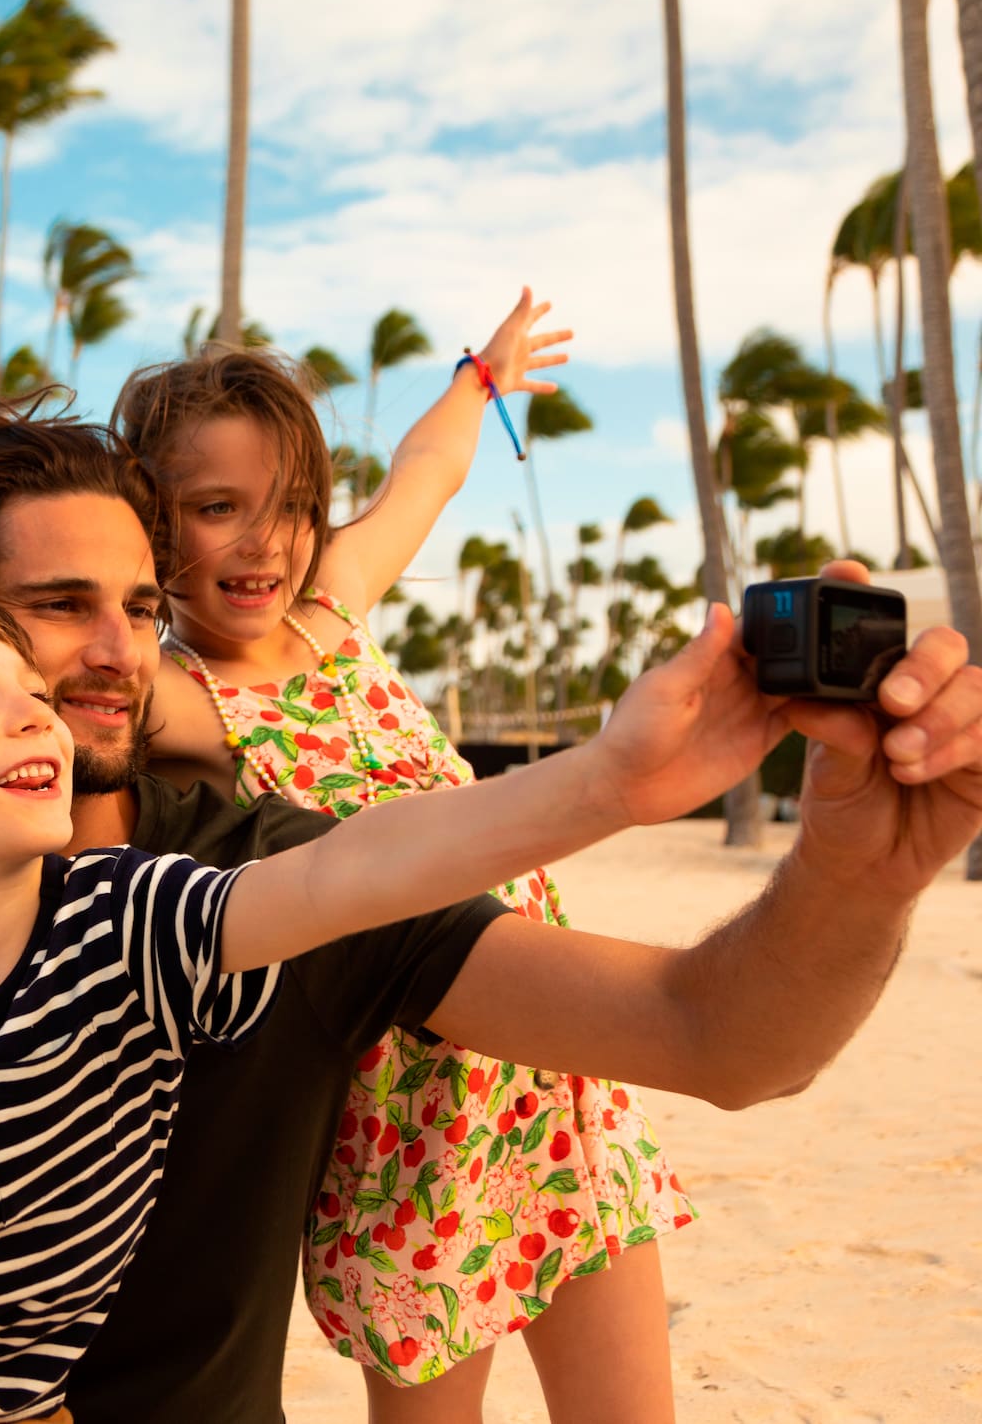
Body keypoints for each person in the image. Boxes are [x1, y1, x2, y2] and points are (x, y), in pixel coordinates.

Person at [0, 396, 982, 1424]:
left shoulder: (247, 870)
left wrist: (860, 865)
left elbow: (715, 1037)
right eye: (54, 607)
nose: (108, 652)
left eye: (140, 604)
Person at [0, 517, 842, 1424]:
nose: (41, 708)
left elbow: (353, 872)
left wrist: (606, 787)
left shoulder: (130, 921)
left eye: (29, 686)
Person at [117, 304, 693, 1418]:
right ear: (150, 524)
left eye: (285, 506)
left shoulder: (335, 607)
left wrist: (479, 380)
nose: (261, 542)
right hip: (404, 1131)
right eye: (213, 509)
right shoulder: (184, 700)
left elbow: (423, 474)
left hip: (556, 1077)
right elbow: (38, 673)